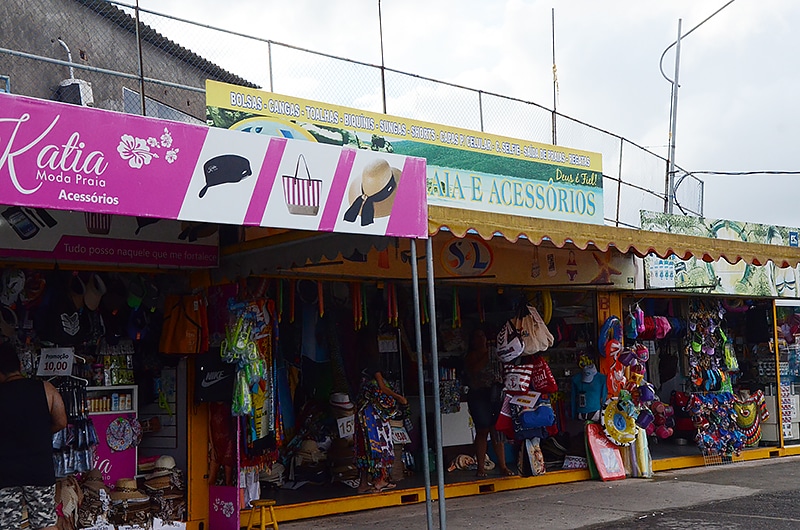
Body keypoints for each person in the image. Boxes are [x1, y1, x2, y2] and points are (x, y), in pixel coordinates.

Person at [0, 341, 67, 530]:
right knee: (45, 522)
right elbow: (61, 421)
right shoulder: (46, 389)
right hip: (39, 469)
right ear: (20, 366)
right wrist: (38, 434)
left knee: (7, 525)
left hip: (5, 473)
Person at [464, 328, 514, 477]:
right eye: (477, 337)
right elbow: (474, 369)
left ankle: (503, 466)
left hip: (495, 393)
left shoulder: (495, 353)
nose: (481, 339)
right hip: (478, 394)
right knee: (482, 430)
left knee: (497, 430)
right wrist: (488, 354)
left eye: (482, 335)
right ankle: (480, 467)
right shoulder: (471, 356)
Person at [354, 359, 407, 494]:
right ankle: (380, 480)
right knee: (380, 448)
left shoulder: (362, 381)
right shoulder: (374, 377)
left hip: (363, 418)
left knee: (365, 451)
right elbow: (383, 388)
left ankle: (364, 483)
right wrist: (399, 398)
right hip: (373, 418)